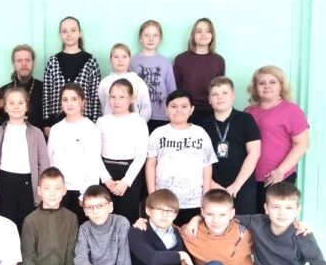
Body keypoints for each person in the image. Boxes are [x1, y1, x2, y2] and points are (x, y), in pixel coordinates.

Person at [145, 89, 217, 226]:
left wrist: (205, 196)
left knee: (191, 235)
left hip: (194, 201)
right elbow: (150, 165)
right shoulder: (158, 133)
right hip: (163, 201)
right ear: (166, 109)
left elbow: (207, 166)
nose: (178, 110)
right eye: (173, 106)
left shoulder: (200, 133)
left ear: (192, 109)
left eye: (184, 106)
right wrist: (152, 194)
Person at [244, 65, 309, 213]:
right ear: (255, 87)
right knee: (254, 222)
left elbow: (302, 143)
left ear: (281, 86)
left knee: (277, 220)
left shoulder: (291, 110)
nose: (267, 86)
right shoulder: (248, 112)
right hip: (250, 177)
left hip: (279, 177)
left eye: (272, 82)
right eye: (262, 83)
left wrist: (280, 171)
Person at [0, 88, 49, 233]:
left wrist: (41, 188)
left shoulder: (36, 132)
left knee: (26, 224)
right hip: (4, 182)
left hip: (28, 183)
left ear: (27, 106)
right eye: (11, 103)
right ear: (5, 107)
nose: (16, 106)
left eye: (20, 103)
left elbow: (43, 163)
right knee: (5, 223)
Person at [200, 76, 260, 215]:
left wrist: (236, 185)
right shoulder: (201, 125)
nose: (220, 97)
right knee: (214, 223)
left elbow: (254, 153)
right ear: (209, 99)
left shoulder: (246, 119)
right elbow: (197, 159)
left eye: (225, 93)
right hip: (211, 186)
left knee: (242, 224)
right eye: (215, 94)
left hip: (242, 185)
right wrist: (212, 185)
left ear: (233, 96)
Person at [47, 83, 101, 222]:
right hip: (58, 191)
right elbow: (50, 160)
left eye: (74, 99)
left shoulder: (90, 128)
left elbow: (94, 164)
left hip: (80, 191)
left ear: (82, 102)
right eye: (65, 99)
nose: (69, 103)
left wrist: (86, 194)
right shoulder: (56, 129)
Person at [97, 79, 148, 224]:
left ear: (131, 98)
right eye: (113, 97)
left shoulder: (139, 122)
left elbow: (141, 156)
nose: (116, 101)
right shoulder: (102, 121)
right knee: (105, 217)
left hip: (130, 174)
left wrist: (126, 182)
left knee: (127, 218)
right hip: (107, 173)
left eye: (122, 97)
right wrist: (106, 179)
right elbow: (95, 153)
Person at [43, 16, 102, 131]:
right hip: (57, 121)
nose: (69, 34)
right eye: (64, 31)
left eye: (73, 30)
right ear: (60, 35)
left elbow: (95, 96)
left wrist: (94, 121)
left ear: (80, 33)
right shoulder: (53, 61)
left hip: (84, 121)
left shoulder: (91, 61)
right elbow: (47, 94)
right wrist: (47, 122)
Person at [173, 18, 225, 123]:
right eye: (199, 31)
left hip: (211, 110)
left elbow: (219, 88)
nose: (203, 34)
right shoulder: (181, 59)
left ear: (212, 35)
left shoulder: (219, 60)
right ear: (193, 35)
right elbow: (176, 88)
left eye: (208, 31)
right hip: (187, 111)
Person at [130, 20, 176, 133]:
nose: (151, 39)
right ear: (140, 38)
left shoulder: (165, 63)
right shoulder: (131, 62)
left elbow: (172, 91)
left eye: (155, 35)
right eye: (147, 35)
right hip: (137, 115)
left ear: (160, 38)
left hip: (161, 116)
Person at [98, 43, 151, 121]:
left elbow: (145, 106)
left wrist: (140, 123)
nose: (120, 60)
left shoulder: (138, 81)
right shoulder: (104, 82)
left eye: (124, 56)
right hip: (110, 124)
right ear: (111, 60)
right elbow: (103, 104)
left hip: (132, 124)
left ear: (129, 59)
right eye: (116, 57)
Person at [2, 44, 45, 131]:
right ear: (13, 64)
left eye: (27, 60)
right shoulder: (3, 91)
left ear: (33, 63)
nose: (24, 64)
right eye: (19, 60)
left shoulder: (44, 89)